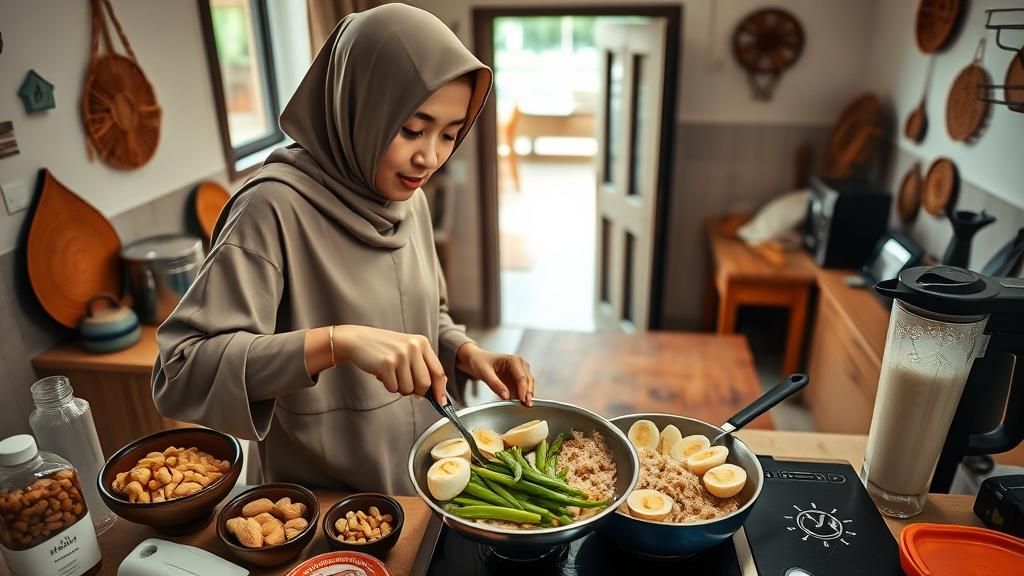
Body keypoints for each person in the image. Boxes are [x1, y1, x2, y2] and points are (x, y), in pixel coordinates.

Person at [152, 3, 535, 494]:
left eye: (449, 134)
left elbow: (424, 316)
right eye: (413, 130)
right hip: (326, 509)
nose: (430, 157)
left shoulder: (406, 197)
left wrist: (465, 352)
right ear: (361, 107)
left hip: (425, 488)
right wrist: (339, 343)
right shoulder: (270, 209)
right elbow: (181, 370)